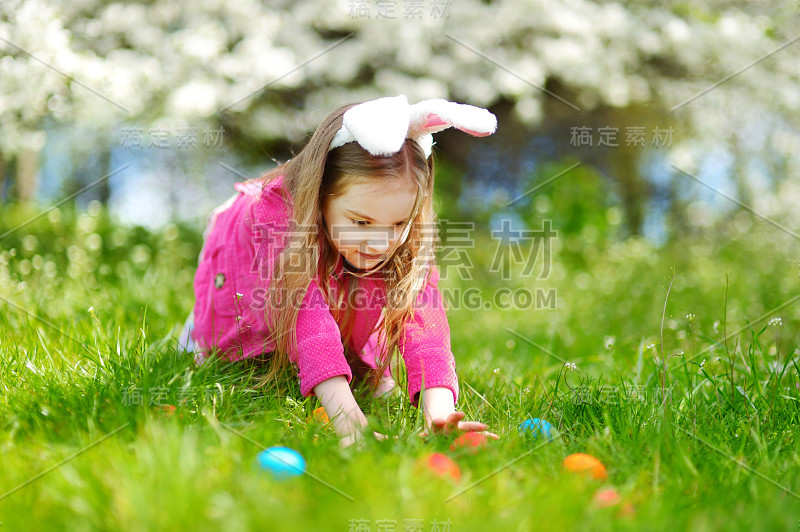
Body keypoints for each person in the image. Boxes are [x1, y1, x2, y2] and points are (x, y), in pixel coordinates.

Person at [181, 94, 499, 448]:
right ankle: (193, 334)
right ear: (321, 196)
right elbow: (306, 314)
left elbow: (424, 320)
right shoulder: (273, 213)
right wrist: (348, 421)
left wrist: (439, 413)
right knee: (241, 354)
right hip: (246, 274)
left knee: (366, 354)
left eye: (397, 223)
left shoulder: (405, 229)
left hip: (331, 269)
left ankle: (347, 350)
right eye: (361, 222)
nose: (379, 243)